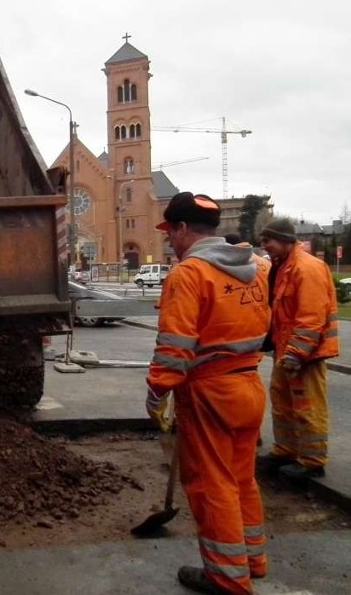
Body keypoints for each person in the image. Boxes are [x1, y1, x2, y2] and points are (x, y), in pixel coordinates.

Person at [144, 192, 271, 595]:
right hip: (249, 383)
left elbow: (175, 346)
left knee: (213, 484)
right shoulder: (257, 268)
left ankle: (227, 578)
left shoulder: (189, 275)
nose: (170, 243)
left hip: (209, 392)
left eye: (171, 234)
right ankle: (252, 560)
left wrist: (157, 393)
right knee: (241, 478)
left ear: (183, 229)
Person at [256, 217, 339, 481]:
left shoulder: (307, 268)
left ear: (283, 239)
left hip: (305, 354)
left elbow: (311, 316)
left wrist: (296, 352)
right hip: (288, 351)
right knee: (282, 402)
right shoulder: (284, 267)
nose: (264, 246)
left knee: (307, 405)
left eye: (267, 240)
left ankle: (313, 460)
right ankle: (286, 450)